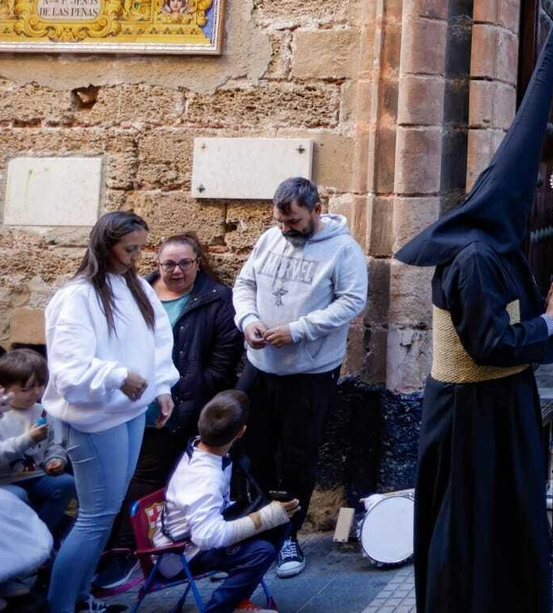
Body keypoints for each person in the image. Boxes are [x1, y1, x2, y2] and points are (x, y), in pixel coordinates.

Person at [396, 0, 553, 613]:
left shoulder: (492, 251)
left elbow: (507, 317)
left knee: (504, 522)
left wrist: (543, 305)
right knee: (472, 528)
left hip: (498, 406)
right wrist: (551, 324)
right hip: (476, 415)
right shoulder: (474, 258)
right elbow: (490, 341)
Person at [232, 177, 368, 578]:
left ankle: (288, 534)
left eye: (293, 221)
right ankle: (256, 525)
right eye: (280, 221)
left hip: (309, 372)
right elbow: (245, 283)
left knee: (298, 455)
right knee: (250, 447)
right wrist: (249, 320)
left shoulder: (343, 249)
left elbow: (353, 301)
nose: (286, 229)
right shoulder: (268, 240)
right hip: (260, 366)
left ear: (316, 210)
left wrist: (300, 329)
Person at [44, 211, 178, 613]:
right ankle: (61, 604)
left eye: (140, 248)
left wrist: (162, 386)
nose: (136, 257)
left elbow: (157, 338)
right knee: (94, 517)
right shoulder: (78, 297)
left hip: (130, 410)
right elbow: (68, 368)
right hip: (93, 417)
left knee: (108, 512)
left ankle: (82, 598)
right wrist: (118, 375)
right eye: (128, 249)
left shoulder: (135, 285)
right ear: (105, 246)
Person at [101, 232, 244, 590]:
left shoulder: (216, 298)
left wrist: (191, 393)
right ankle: (124, 549)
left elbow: (224, 356)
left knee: (158, 478)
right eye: (168, 263)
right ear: (156, 263)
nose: (176, 271)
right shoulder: (138, 293)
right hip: (132, 400)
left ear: (198, 263)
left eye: (185, 263)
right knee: (128, 477)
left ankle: (143, 551)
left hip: (187, 403)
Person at [158, 390, 297, 613]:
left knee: (282, 524)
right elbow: (207, 537)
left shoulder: (203, 448)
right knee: (261, 550)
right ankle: (221, 608)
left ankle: (239, 602)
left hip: (196, 536)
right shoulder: (205, 479)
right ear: (241, 432)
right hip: (181, 554)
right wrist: (263, 518)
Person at [0, 348, 74, 538]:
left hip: (34, 475)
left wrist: (55, 459)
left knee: (66, 483)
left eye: (40, 385)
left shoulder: (44, 412)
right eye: (26, 389)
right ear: (1, 390)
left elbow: (56, 443)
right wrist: (28, 439)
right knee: (17, 497)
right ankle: (28, 539)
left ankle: (42, 535)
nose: (36, 392)